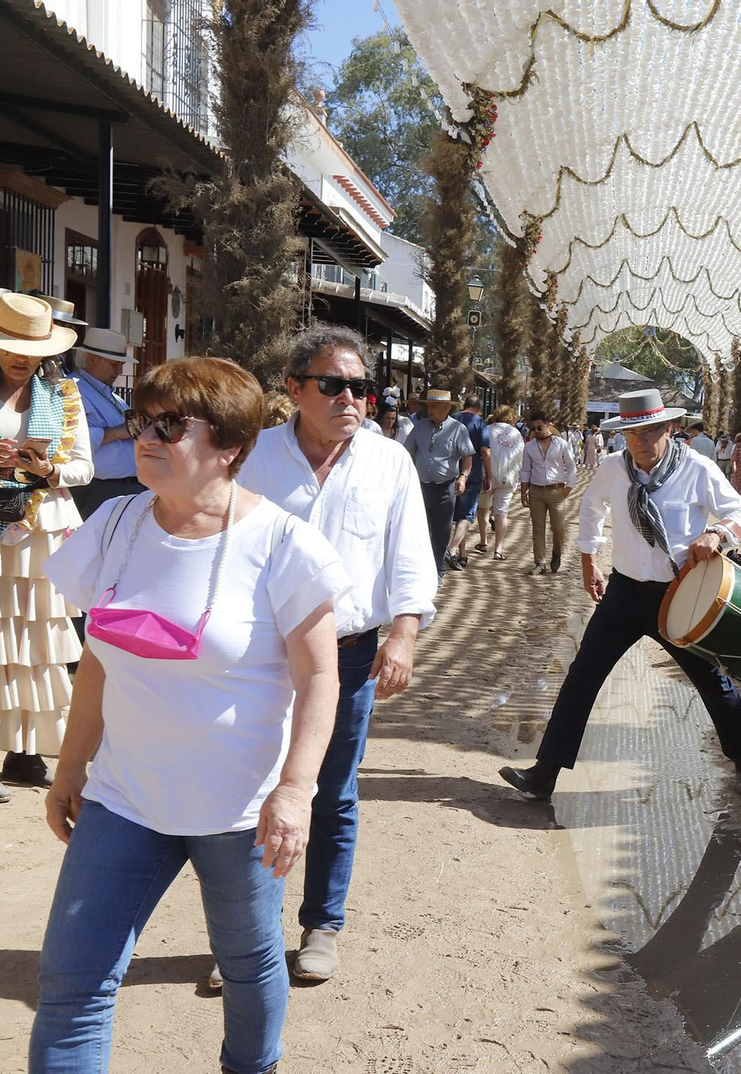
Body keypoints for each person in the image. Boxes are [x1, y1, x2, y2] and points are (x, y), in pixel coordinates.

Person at [33, 356, 348, 1073]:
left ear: (231, 445)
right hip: (123, 798)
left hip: (238, 812)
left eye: (170, 425)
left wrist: (295, 790)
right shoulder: (114, 523)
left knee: (247, 964)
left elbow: (320, 677)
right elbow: (99, 660)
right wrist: (71, 767)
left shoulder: (284, 545)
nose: (145, 437)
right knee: (72, 983)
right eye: (142, 420)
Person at [233, 325, 434, 985]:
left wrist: (403, 634)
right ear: (294, 389)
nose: (351, 398)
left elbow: (410, 555)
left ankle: (322, 924)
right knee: (254, 786)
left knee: (332, 791)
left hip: (349, 655)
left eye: (361, 387)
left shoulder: (388, 462)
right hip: (261, 651)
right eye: (333, 385)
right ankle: (251, 938)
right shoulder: (253, 455)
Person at [498, 390, 741, 802]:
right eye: (633, 433)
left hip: (679, 595)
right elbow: (591, 508)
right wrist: (589, 560)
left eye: (650, 430)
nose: (641, 441)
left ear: (668, 428)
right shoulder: (612, 468)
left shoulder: (696, 468)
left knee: (711, 679)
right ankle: (544, 774)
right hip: (623, 594)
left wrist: (716, 532)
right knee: (582, 676)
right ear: (622, 435)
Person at [0, 293, 92, 802]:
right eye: (10, 347)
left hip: (39, 524)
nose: (20, 357)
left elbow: (85, 467)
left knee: (36, 638)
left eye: (31, 350)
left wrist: (49, 469)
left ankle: (26, 754)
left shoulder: (65, 395)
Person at [69, 327, 145, 521]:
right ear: (91, 359)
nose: (119, 371)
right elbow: (68, 440)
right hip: (98, 490)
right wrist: (116, 432)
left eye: (121, 365)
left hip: (127, 487)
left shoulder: (111, 395)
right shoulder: (71, 390)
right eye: (114, 364)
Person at [405, 389, 474, 584]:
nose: (429, 410)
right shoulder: (419, 427)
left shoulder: (458, 429)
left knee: (441, 532)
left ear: (445, 408)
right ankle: (419, 571)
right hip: (420, 488)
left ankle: (437, 570)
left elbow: (467, 457)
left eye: (434, 406)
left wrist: (463, 477)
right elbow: (407, 451)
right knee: (419, 529)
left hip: (445, 489)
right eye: (428, 406)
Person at [519, 411, 577, 574]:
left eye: (540, 427)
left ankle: (557, 553)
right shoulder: (529, 446)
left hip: (556, 491)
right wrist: (523, 492)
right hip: (536, 491)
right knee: (538, 528)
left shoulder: (561, 444)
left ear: (548, 425)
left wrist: (569, 487)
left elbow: (571, 466)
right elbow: (525, 470)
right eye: (534, 428)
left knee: (558, 528)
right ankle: (540, 562)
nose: (536, 431)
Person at [442, 396, 490, 572]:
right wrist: (489, 475)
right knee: (467, 515)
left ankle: (462, 555)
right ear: (479, 409)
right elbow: (485, 451)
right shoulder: (479, 422)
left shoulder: (451, 419)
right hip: (472, 473)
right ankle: (452, 548)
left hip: (450, 472)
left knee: (457, 515)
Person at [483, 406, 525, 561]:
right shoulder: (516, 434)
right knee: (502, 513)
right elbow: (520, 455)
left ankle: (483, 541)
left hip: (487, 475)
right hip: (508, 477)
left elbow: (483, 451)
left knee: (483, 509)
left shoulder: (487, 429)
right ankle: (498, 549)